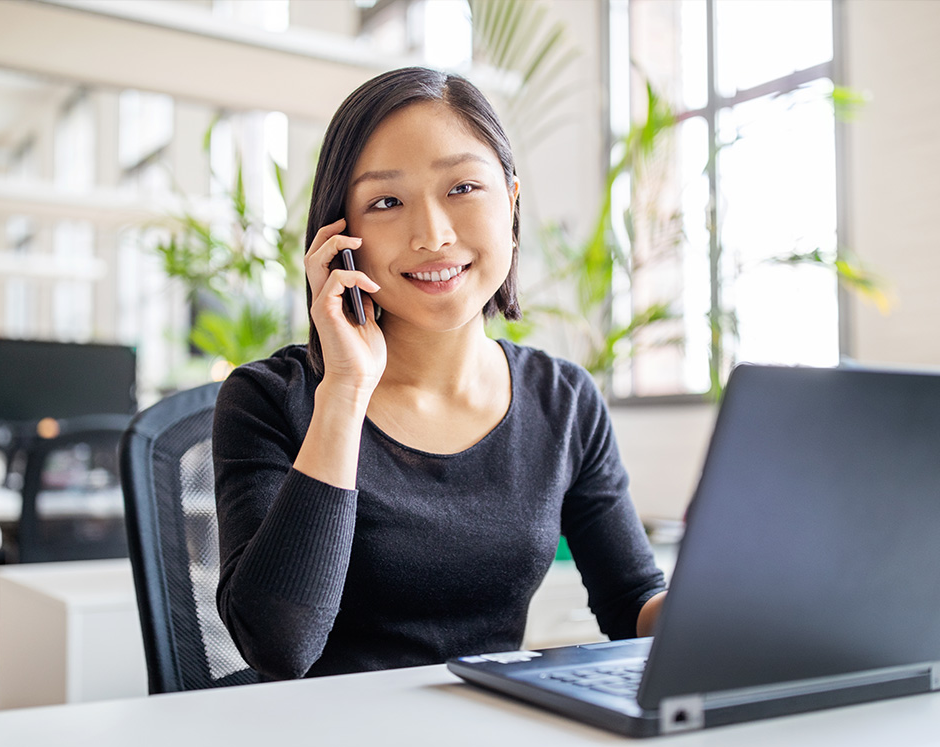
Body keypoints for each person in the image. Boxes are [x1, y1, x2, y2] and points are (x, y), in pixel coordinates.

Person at [213, 67, 667, 681]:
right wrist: (344, 391)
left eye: (461, 188)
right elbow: (279, 647)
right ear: (342, 238)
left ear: (509, 201)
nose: (432, 235)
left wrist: (727, 602)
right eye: (386, 202)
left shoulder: (562, 401)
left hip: (491, 745)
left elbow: (632, 606)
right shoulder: (269, 401)